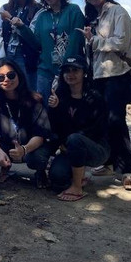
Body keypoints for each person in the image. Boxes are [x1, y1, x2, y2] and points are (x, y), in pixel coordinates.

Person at [81, 0, 131, 191]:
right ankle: (108, 162)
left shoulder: (118, 12)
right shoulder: (92, 17)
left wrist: (94, 41)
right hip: (97, 75)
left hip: (116, 73)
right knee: (101, 121)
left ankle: (126, 171)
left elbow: (121, 43)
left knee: (117, 121)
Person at [0, 59, 51, 187]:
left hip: (31, 146)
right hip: (8, 145)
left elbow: (41, 134)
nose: (6, 80)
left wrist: (24, 149)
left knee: (38, 158)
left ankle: (40, 172)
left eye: (11, 75)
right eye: (1, 77)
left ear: (19, 75)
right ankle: (5, 167)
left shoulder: (34, 99)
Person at [14, 0, 85, 105]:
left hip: (70, 71)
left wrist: (64, 71)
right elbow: (36, 44)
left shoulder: (73, 10)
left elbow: (75, 41)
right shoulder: (42, 16)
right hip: (45, 71)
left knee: (67, 107)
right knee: (44, 109)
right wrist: (22, 27)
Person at [47, 56, 110, 201]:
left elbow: (98, 129)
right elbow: (55, 127)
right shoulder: (60, 96)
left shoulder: (95, 97)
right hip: (70, 147)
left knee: (75, 139)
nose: (70, 74)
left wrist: (70, 141)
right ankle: (79, 175)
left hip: (96, 148)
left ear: (84, 73)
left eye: (75, 70)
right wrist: (54, 108)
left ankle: (77, 187)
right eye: (67, 71)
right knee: (57, 179)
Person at [0, 0, 42, 90]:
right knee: (9, 88)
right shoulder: (4, 8)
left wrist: (11, 20)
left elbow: (33, 35)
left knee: (28, 88)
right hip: (8, 53)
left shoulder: (37, 9)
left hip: (27, 56)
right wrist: (0, 59)